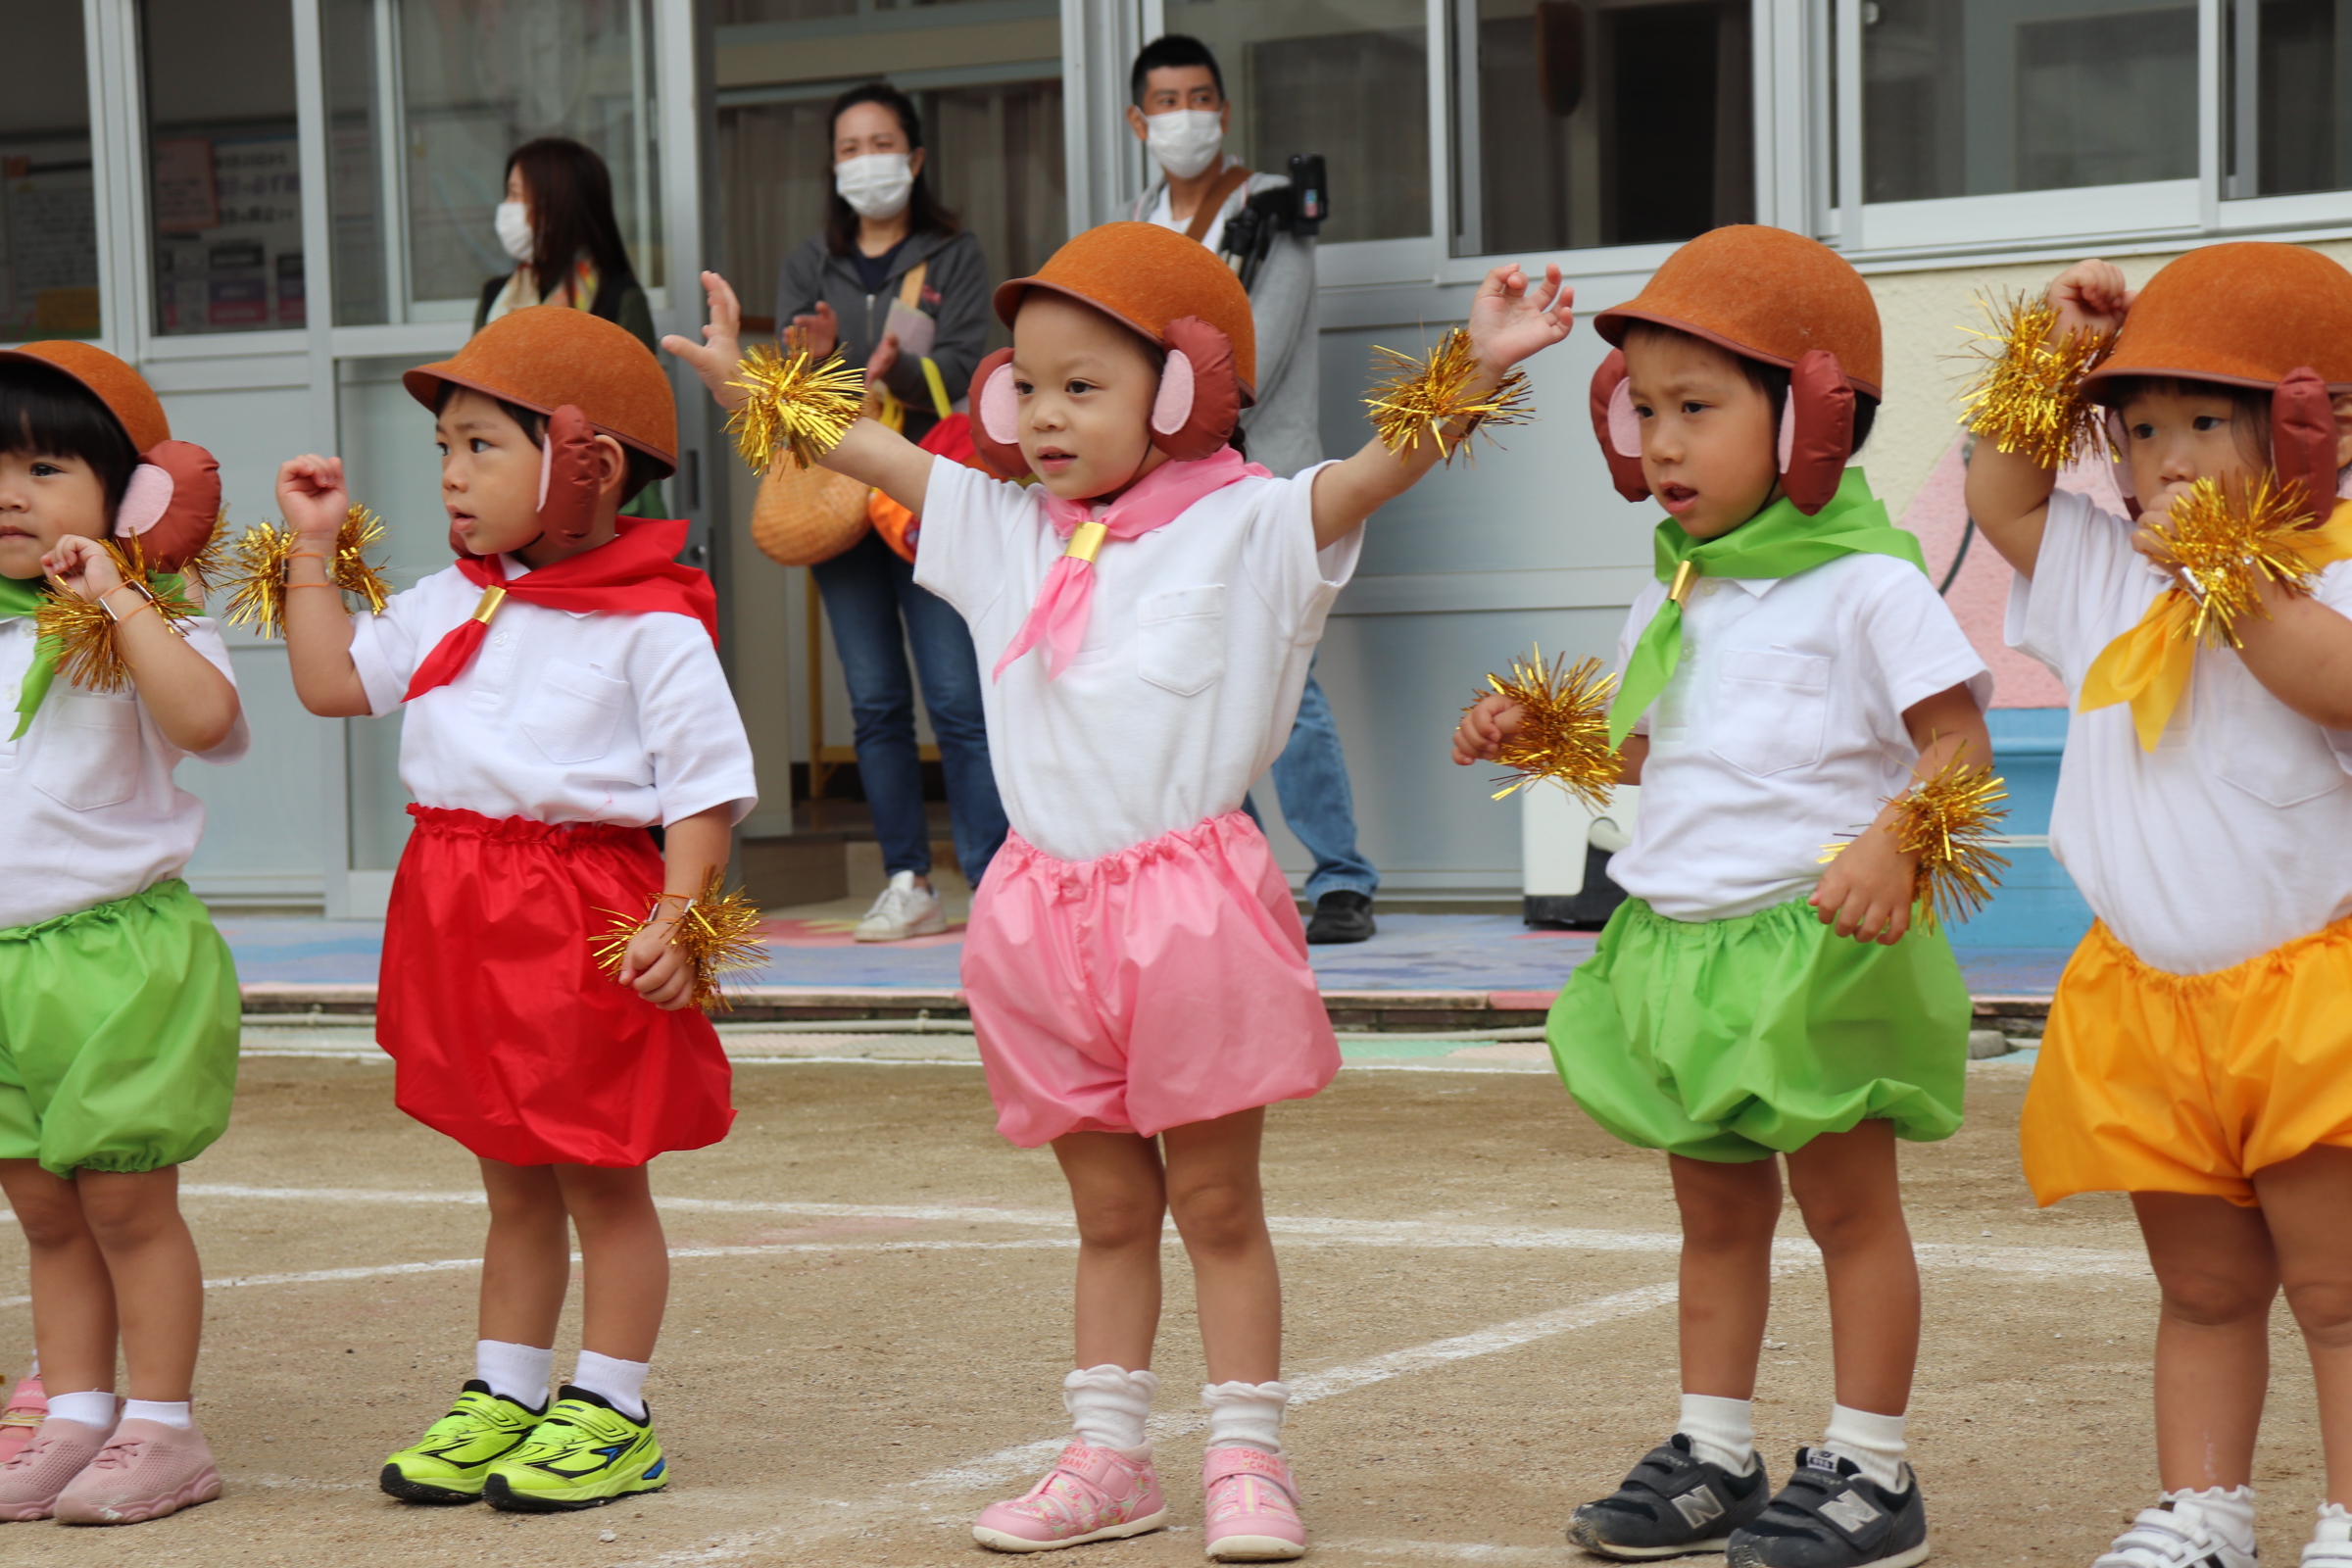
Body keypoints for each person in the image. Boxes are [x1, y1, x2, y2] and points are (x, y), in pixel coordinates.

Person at [669, 220, 1573, 1559]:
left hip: (1190, 912)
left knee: (1215, 1207)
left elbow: (1378, 470)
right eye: (1024, 384)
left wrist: (1477, 367)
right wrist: (750, 379)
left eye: (1082, 386)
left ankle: (1247, 1463)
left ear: (1178, 391)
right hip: (1040, 918)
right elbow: (866, 449)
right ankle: (1107, 1461)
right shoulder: (995, 526)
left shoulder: (1251, 525)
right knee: (1104, 1214)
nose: (1040, 414)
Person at [1456, 227, 1993, 1566]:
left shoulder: (1871, 585)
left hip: (1814, 948)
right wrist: (1540, 729)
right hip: (1687, 951)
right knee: (1715, 1212)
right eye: (1644, 410)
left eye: (1698, 409)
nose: (1664, 443)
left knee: (1850, 1211)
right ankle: (1714, 1450)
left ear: (1810, 417)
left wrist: (1897, 843)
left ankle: (1872, 1470)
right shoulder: (1681, 589)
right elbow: (1642, 752)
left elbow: (1959, 753)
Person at [271, 307, 757, 1512]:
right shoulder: (449, 598)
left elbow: (706, 790)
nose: (449, 474)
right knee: (508, 1175)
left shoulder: (654, 617)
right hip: (457, 908)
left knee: (603, 1175)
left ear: (583, 461)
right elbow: (333, 681)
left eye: (480, 445)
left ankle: (613, 1406)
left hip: (581, 913)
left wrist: (679, 921)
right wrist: (311, 550)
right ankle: (506, 1389)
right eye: (445, 447)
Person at [1968, 245, 2352, 1568]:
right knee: (2199, 1293)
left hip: (2314, 1003)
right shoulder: (2107, 574)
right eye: (2137, 431)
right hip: (2146, 1004)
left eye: (2204, 423)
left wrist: (2230, 565)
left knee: (2341, 1295)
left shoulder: (2333, 571)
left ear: (2316, 432)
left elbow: (2332, 678)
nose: (2165, 458)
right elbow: (2000, 489)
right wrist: (2049, 353)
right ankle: (2204, 1510)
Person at [0, 342, 249, 1524]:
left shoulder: (143, 622)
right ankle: (77, 1416)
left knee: (125, 1205)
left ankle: (163, 1426)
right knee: (44, 1209)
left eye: (45, 466)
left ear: (131, 497)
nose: (10, 492)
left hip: (116, 961)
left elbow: (206, 720)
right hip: (4, 973)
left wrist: (117, 596)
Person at [1126, 33, 1380, 945]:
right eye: (1165, 100)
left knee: (1286, 679)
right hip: (1163, 494)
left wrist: (1142, 386)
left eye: (1199, 97)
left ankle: (1342, 877)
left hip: (1263, 480)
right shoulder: (1131, 222)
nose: (1183, 115)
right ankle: (1242, 872)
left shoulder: (1276, 213)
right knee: (1195, 685)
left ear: (1223, 111)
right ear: (1137, 118)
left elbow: (1251, 365)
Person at [776, 81, 1006, 940]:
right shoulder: (810, 264)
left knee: (957, 697)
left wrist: (897, 371)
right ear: (833, 168)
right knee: (874, 702)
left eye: (881, 144)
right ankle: (907, 877)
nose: (865, 161)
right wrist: (829, 361)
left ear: (913, 158)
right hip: (841, 501)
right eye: (848, 148)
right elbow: (791, 395)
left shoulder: (954, 254)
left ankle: (995, 879)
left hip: (926, 491)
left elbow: (970, 367)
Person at [478, 136, 665, 518]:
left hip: (594, 499)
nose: (508, 209)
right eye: (509, 195)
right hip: (505, 495)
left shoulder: (617, 298)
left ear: (558, 204)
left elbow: (638, 418)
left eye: (518, 196)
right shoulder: (496, 296)